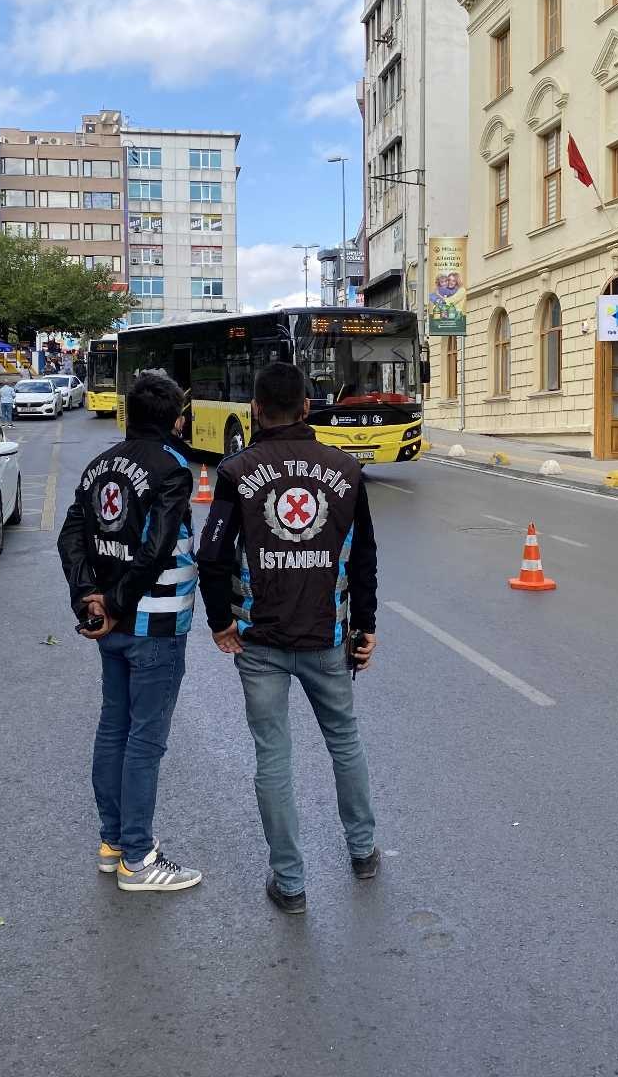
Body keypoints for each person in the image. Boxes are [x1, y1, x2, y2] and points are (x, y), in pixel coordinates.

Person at [198, 361, 379, 916]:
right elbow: (365, 556)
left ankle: (291, 884)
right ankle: (364, 852)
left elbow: (211, 553)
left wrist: (220, 622)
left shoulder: (235, 471)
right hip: (326, 638)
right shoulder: (346, 470)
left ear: (255, 409)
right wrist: (364, 626)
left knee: (273, 757)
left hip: (261, 643)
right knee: (344, 743)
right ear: (307, 407)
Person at [57, 372, 202, 893]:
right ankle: (138, 859)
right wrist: (117, 604)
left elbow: (71, 532)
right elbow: (158, 546)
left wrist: (88, 597)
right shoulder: (173, 467)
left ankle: (113, 841)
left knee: (113, 729)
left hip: (111, 624)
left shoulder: (101, 465)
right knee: (145, 740)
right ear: (176, 418)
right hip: (154, 623)